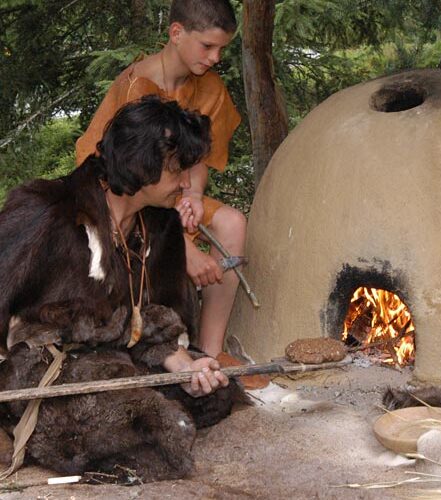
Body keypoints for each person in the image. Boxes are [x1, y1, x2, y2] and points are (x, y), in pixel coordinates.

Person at [74, 0, 260, 385]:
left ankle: (208, 352)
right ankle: (157, 348)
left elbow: (200, 159)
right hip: (128, 202)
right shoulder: (134, 88)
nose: (215, 57)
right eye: (207, 46)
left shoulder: (210, 88)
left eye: (222, 48)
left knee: (231, 223)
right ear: (176, 33)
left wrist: (191, 197)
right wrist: (183, 244)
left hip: (175, 194)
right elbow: (121, 183)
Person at [1, 96, 228, 397]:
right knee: (129, 421)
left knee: (213, 390)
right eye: (177, 170)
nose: (187, 183)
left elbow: (153, 320)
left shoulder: (162, 225)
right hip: (45, 370)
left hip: (124, 360)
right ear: (141, 163)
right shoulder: (49, 211)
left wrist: (186, 366)